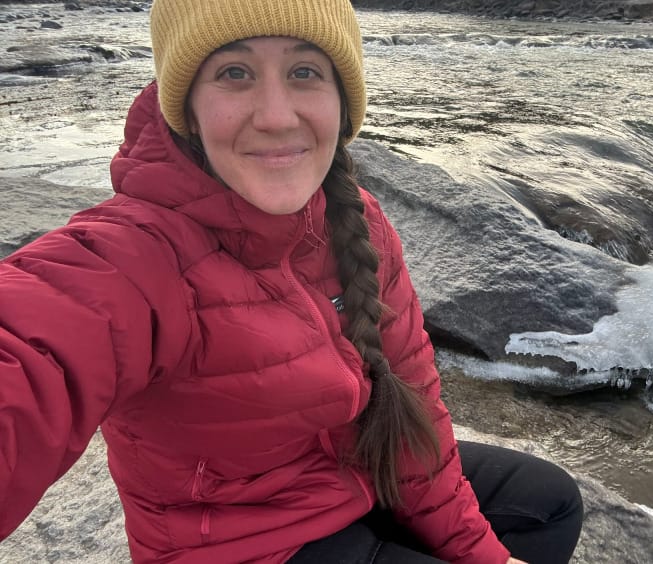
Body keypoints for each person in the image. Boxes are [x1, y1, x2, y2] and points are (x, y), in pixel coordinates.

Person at [0, 0, 583, 562]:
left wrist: (480, 555)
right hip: (246, 544)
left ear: (342, 101)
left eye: (304, 71)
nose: (277, 117)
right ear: (187, 108)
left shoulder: (360, 221)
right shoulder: (133, 255)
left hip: (348, 480)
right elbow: (33, 345)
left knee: (547, 504)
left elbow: (414, 407)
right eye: (234, 72)